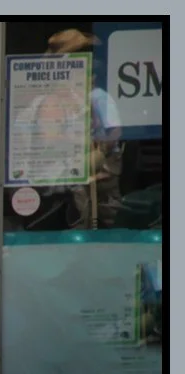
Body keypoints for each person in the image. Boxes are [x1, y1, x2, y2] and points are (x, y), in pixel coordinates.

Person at [46, 29, 123, 228]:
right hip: (74, 166)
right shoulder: (66, 98)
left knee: (103, 212)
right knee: (79, 210)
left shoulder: (98, 96)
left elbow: (113, 131)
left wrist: (99, 150)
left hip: (99, 165)